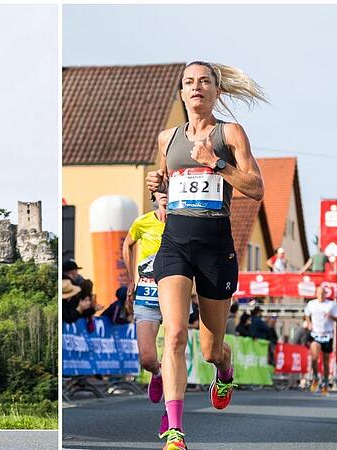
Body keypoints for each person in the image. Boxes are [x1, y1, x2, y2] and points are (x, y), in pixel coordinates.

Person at [146, 61, 266, 450]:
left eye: (204, 82)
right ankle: (176, 431)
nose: (196, 87)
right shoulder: (167, 138)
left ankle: (224, 368)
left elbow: (257, 187)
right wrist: (156, 191)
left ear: (217, 91)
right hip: (175, 242)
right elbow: (163, 189)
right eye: (189, 82)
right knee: (176, 334)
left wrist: (216, 163)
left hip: (215, 245)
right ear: (181, 93)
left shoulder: (229, 133)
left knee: (211, 347)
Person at [122, 192, 171, 435]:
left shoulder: (183, 221)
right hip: (147, 295)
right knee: (148, 359)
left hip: (175, 295)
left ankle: (171, 417)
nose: (165, 195)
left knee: (175, 356)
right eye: (161, 192)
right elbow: (127, 244)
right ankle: (158, 374)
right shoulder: (143, 221)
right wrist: (131, 279)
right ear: (155, 196)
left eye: (169, 190)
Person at [304, 283, 337, 396]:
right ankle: (316, 377)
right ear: (316, 294)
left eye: (323, 293)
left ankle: (325, 382)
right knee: (314, 358)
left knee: (325, 362)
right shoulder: (312, 304)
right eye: (319, 293)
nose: (321, 295)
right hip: (315, 334)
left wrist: (331, 316)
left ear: (326, 294)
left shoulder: (331, 305)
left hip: (327, 335)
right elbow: (306, 314)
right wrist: (309, 322)